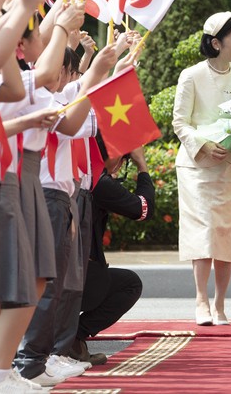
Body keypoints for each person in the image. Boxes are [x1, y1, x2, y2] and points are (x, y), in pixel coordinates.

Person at [173, 11, 231, 326]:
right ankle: (200, 300)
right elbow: (180, 121)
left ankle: (220, 304)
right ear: (216, 42)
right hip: (198, 166)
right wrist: (203, 145)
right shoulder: (191, 75)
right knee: (203, 231)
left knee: (227, 234)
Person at [68, 137, 154, 366]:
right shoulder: (99, 183)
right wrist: (142, 167)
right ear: (114, 156)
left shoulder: (75, 175)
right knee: (130, 284)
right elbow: (144, 209)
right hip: (80, 275)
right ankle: (71, 336)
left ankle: (66, 337)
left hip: (64, 272)